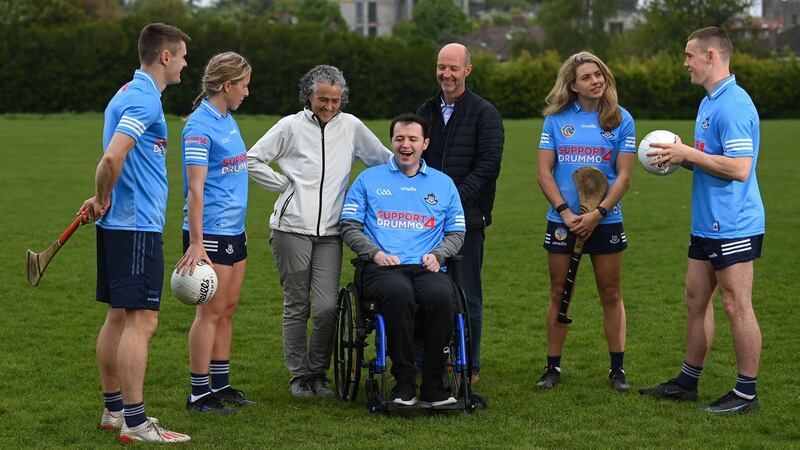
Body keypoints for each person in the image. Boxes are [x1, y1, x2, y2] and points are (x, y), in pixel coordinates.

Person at [639, 27, 764, 414]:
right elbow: (712, 162)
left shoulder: (734, 105)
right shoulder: (709, 102)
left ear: (711, 56)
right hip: (705, 223)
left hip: (734, 223)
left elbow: (740, 169)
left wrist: (688, 154)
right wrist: (681, 157)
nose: (685, 63)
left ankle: (746, 394)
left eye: (690, 55)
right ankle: (687, 382)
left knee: (735, 304)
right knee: (695, 300)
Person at [247, 65, 392, 398]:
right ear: (308, 95)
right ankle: (299, 376)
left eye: (335, 100)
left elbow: (382, 160)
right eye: (322, 99)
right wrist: (284, 185)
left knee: (327, 306)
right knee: (297, 303)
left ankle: (318, 372)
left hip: (331, 232)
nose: (328, 107)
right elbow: (253, 159)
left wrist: (413, 168)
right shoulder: (290, 126)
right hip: (290, 230)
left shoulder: (352, 127)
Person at [78, 23, 191, 444]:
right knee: (142, 321)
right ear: (165, 56)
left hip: (117, 226)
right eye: (181, 56)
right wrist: (101, 194)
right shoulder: (145, 101)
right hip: (137, 226)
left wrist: (101, 200)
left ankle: (113, 412)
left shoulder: (125, 92)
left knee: (117, 317)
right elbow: (111, 157)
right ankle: (137, 423)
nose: (184, 64)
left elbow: (112, 162)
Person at [340, 113, 466, 407]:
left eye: (412, 139)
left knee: (441, 297)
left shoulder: (443, 184)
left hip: (426, 268)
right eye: (399, 139)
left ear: (425, 144)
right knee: (399, 294)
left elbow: (457, 232)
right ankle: (405, 383)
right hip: (382, 268)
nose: (405, 145)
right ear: (392, 142)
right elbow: (349, 226)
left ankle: (434, 385)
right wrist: (374, 253)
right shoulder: (369, 179)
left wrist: (439, 254)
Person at [535, 51, 636, 392]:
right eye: (587, 77)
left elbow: (623, 177)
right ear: (572, 85)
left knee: (610, 293)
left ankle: (617, 370)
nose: (596, 81)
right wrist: (565, 211)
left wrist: (599, 213)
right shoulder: (556, 121)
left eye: (599, 74)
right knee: (559, 292)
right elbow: (544, 172)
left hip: (605, 221)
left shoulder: (621, 120)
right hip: (563, 221)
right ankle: (552, 368)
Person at [416, 43, 504, 384]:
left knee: (466, 294)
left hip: (466, 221)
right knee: (425, 292)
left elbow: (487, 168)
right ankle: (425, 361)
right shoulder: (425, 111)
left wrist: (448, 203)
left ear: (467, 70)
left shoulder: (485, 114)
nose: (446, 74)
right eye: (441, 67)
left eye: (453, 68)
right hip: (424, 223)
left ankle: (469, 365)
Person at [175, 52, 254, 414]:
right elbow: (196, 189)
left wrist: (241, 229)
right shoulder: (199, 127)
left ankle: (220, 387)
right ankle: (198, 394)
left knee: (228, 309)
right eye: (244, 85)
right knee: (209, 313)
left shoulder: (227, 119)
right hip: (209, 235)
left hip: (234, 232)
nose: (247, 92)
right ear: (227, 85)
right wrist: (196, 242)